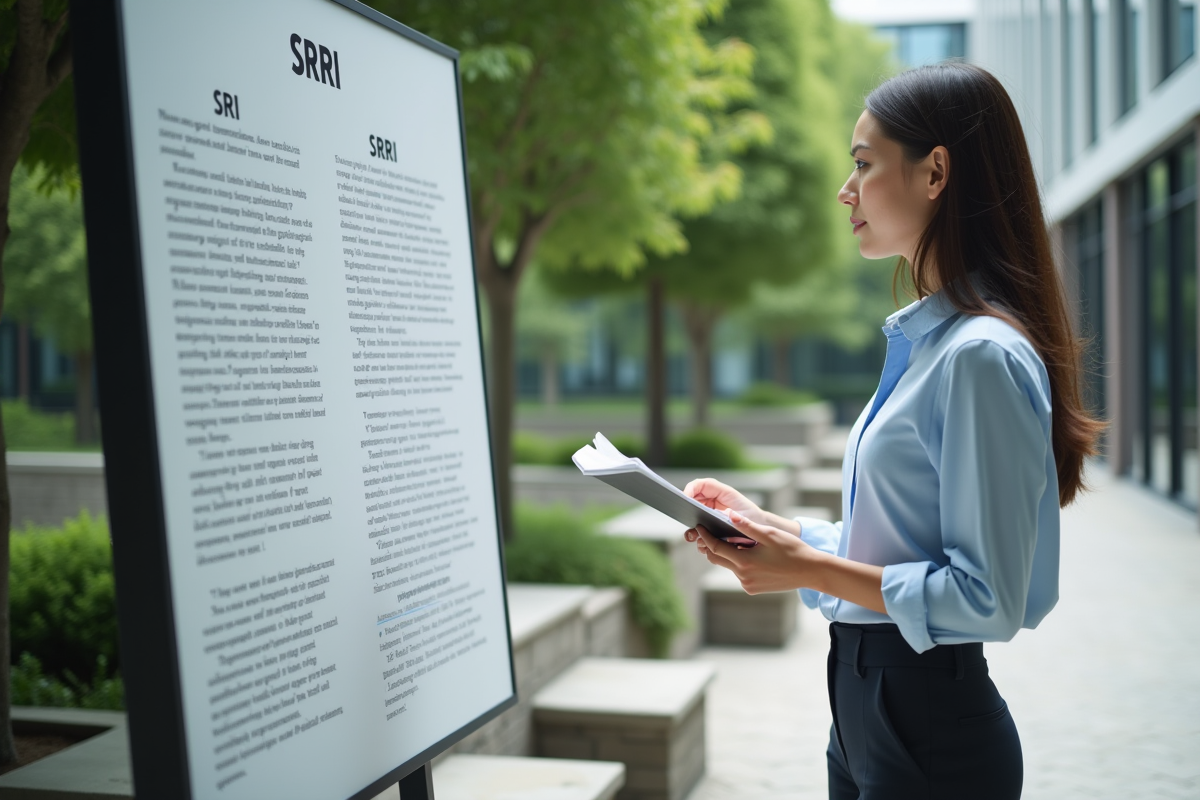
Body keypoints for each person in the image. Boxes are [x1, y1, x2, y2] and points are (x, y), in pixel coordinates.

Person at [683, 62, 1103, 800]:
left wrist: (808, 570)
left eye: (863, 164)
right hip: (862, 711)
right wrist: (773, 532)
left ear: (935, 171)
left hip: (929, 726)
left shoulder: (977, 356)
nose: (846, 190)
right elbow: (901, 542)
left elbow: (987, 598)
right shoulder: (930, 346)